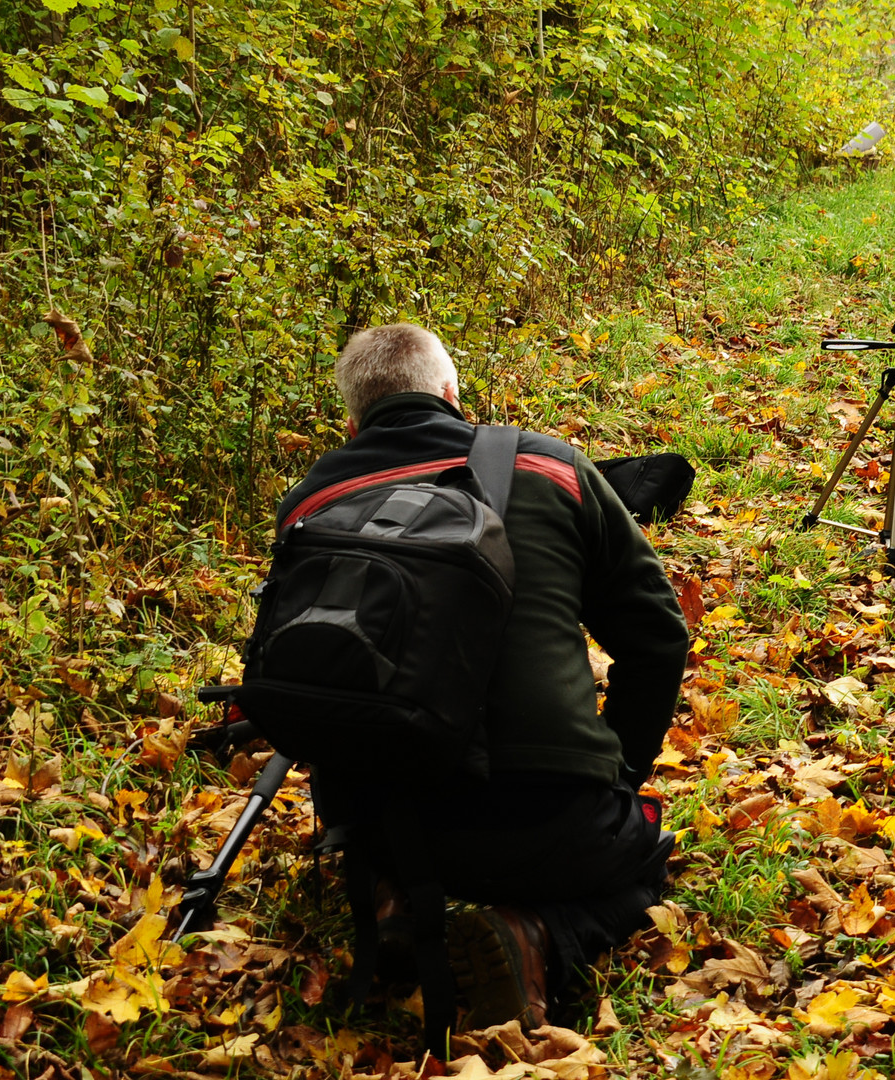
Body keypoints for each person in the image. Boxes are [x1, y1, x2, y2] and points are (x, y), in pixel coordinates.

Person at [278, 323, 690, 1031]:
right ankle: (537, 937)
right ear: (452, 395)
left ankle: (392, 901)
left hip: (386, 827)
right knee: (649, 856)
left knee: (397, 834)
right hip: (554, 820)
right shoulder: (551, 467)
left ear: (351, 422)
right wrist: (619, 773)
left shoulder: (309, 506)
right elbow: (657, 637)